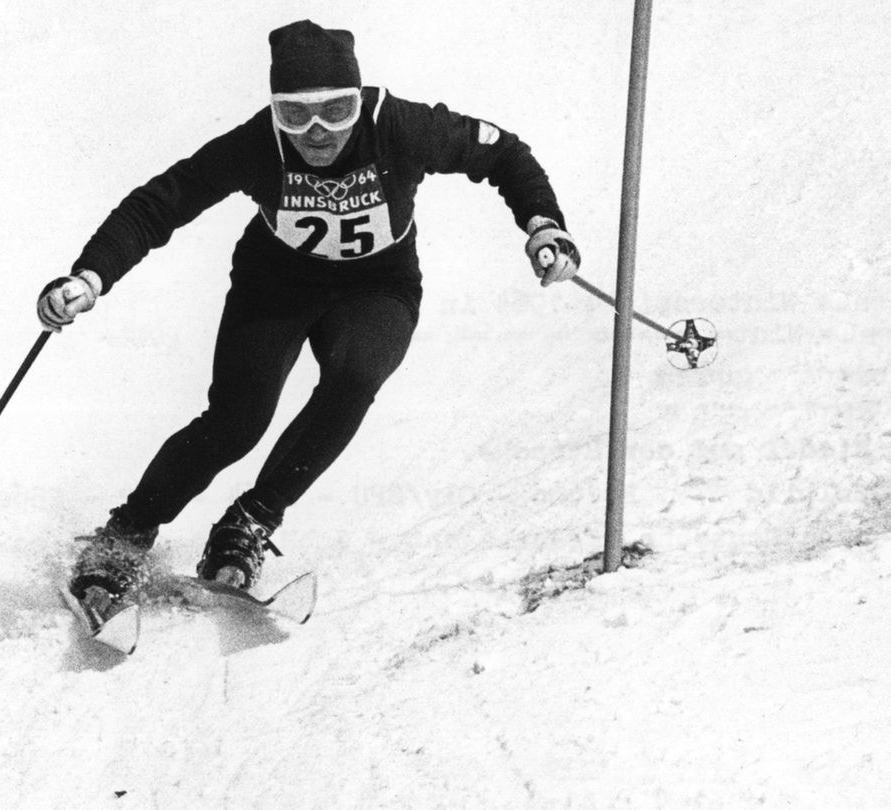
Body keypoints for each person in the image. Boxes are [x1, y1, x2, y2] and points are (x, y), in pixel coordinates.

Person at [38, 20, 581, 613]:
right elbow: (160, 203)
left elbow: (504, 152)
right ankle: (125, 534)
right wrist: (89, 276)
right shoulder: (257, 144)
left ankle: (249, 523)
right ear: (275, 112)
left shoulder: (401, 126)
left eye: (337, 111)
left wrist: (542, 223)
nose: (318, 132)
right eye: (296, 116)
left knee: (356, 375)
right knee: (238, 420)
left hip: (377, 286)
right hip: (275, 286)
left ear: (361, 100)